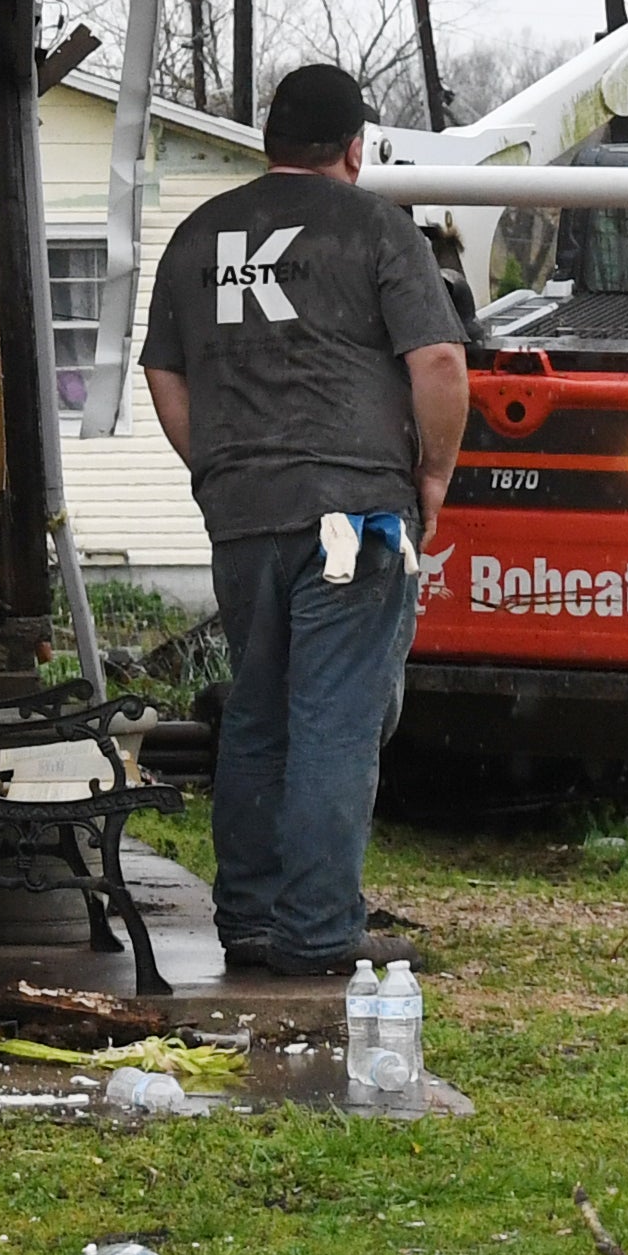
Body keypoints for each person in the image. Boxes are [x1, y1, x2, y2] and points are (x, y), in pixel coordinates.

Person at [142, 60, 469, 981]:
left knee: (259, 713)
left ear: (268, 141)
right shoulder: (374, 227)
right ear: (354, 147)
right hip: (356, 513)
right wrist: (434, 476)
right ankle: (320, 932)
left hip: (244, 514)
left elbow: (164, 373)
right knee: (337, 717)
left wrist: (216, 467)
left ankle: (247, 920)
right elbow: (439, 361)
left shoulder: (199, 235)